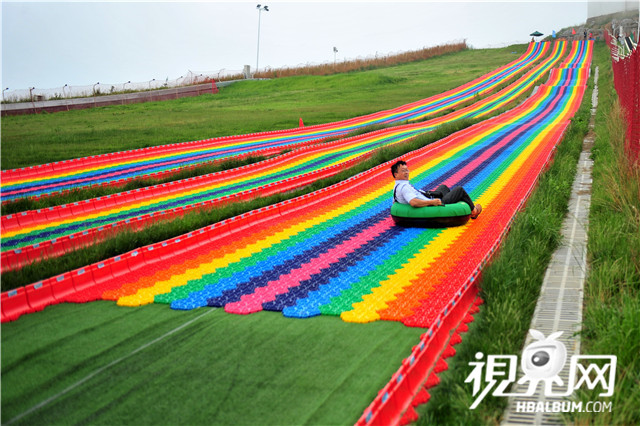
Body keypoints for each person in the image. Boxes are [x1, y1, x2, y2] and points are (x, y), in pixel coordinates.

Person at [390, 160, 482, 219]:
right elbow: (413, 202)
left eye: (407, 170)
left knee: (443, 187)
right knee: (459, 190)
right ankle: (473, 211)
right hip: (433, 203)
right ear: (396, 174)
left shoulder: (397, 186)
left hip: (428, 196)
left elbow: (395, 201)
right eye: (403, 171)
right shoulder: (404, 187)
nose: (406, 173)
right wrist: (432, 202)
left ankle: (453, 201)